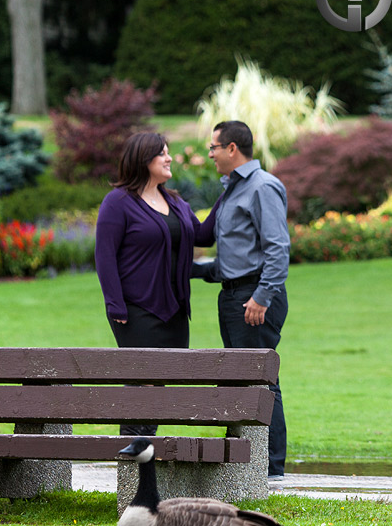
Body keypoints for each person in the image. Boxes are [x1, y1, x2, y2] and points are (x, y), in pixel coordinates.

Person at [196, 120, 291, 481]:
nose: (210, 154)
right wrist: (190, 270)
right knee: (237, 382)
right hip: (234, 295)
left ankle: (269, 470)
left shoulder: (262, 187)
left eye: (214, 147)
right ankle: (243, 465)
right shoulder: (233, 190)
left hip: (253, 299)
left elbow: (278, 248)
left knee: (260, 383)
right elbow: (234, 257)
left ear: (232, 148)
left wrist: (261, 297)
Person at [96, 131, 207, 436]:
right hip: (134, 310)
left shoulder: (175, 201)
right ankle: (133, 459)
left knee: (158, 383)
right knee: (142, 380)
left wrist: (231, 193)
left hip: (174, 310)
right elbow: (104, 255)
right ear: (143, 160)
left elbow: (203, 235)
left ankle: (144, 456)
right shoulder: (118, 202)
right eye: (162, 154)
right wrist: (115, 303)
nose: (169, 158)